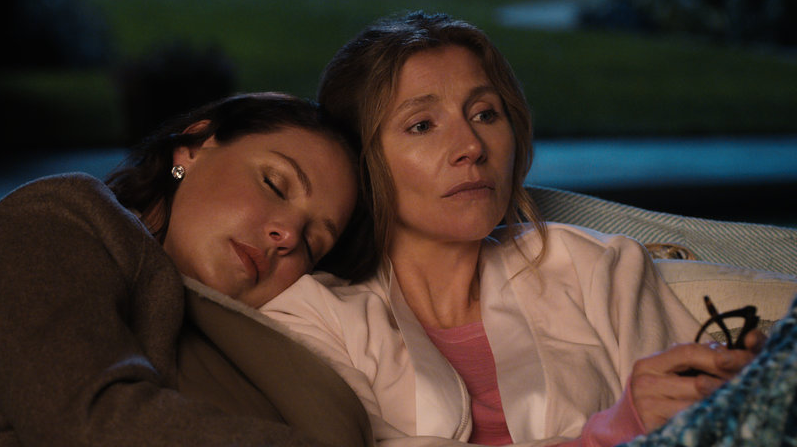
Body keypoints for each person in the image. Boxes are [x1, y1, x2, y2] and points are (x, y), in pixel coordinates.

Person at [259, 12, 770, 446]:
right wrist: (614, 430)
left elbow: (709, 427)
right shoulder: (312, 320)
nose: (471, 146)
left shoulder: (599, 269)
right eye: (422, 125)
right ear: (360, 160)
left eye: (485, 114)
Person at [0, 92, 373, 446]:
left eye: (311, 243)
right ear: (194, 147)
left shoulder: (264, 349)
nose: (288, 235)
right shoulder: (64, 217)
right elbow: (89, 423)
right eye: (274, 184)